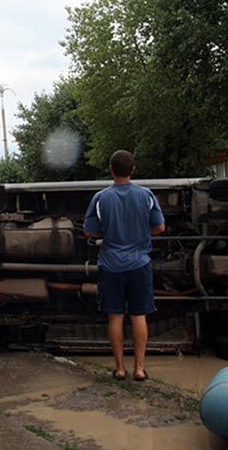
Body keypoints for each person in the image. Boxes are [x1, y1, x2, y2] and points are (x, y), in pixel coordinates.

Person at [84, 150, 165, 382]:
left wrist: (108, 233)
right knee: (139, 315)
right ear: (133, 170)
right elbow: (160, 228)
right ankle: (139, 369)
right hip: (139, 264)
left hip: (110, 265)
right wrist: (141, 233)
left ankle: (119, 369)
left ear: (111, 169)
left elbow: (89, 231)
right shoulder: (146, 195)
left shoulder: (100, 198)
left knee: (115, 317)